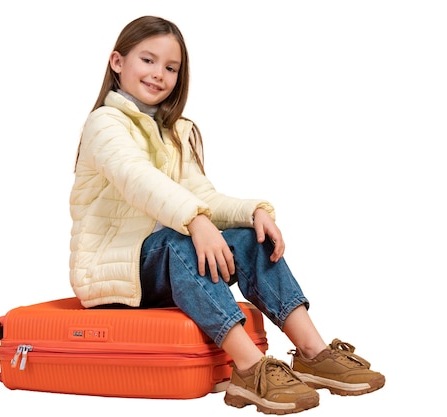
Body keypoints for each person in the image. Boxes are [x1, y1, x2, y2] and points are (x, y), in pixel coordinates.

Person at [70, 15, 385, 415]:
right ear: (117, 62)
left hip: (162, 266)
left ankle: (313, 352)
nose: (158, 75)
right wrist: (197, 222)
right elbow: (139, 179)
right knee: (180, 241)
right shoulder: (105, 123)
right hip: (115, 275)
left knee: (247, 236)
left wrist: (253, 212)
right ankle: (250, 368)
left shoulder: (174, 131)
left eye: (170, 68)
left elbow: (202, 195)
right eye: (147, 61)